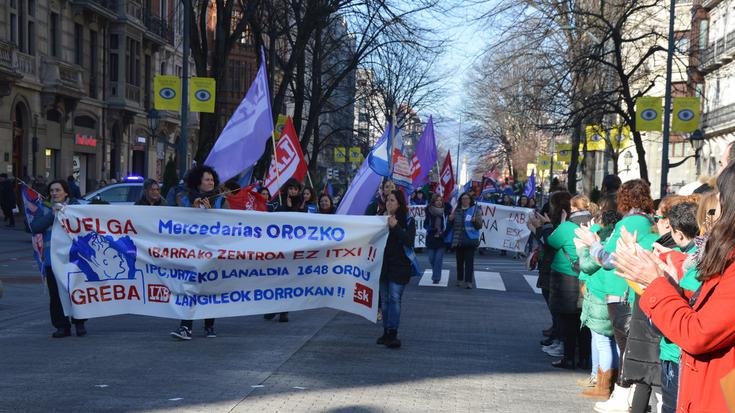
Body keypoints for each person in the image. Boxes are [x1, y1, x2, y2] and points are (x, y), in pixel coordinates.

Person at [613, 164, 735, 413]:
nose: (715, 202)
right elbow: (710, 311)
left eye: (721, 193)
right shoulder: (723, 256)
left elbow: (699, 333)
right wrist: (661, 282)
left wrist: (657, 283)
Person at [575, 179, 656, 412]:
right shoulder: (647, 221)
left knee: (625, 345)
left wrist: (592, 244)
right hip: (630, 289)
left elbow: (608, 259)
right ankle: (625, 396)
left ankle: (623, 397)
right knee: (628, 345)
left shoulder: (629, 222)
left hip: (621, 290)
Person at [170, 165, 228, 340]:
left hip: (212, 250)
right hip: (191, 251)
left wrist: (211, 213)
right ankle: (185, 326)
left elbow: (229, 223)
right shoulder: (185, 198)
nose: (211, 182)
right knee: (189, 288)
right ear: (198, 182)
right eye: (207, 179)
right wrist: (192, 211)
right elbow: (175, 221)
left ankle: (209, 325)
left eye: (212, 179)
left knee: (210, 287)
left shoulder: (220, 200)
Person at [30, 179, 87, 338]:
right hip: (52, 259)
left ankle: (79, 322)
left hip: (74, 258)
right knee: (56, 294)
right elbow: (35, 227)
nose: (54, 193)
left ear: (66, 192)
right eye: (52, 191)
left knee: (76, 290)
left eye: (57, 190)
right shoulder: (44, 208)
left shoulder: (76, 208)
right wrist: (52, 215)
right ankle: (61, 325)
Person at [376, 189, 416, 349]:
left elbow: (409, 241)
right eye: (387, 200)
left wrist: (396, 227)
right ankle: (386, 331)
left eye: (392, 200)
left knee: (394, 298)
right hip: (383, 265)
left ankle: (393, 332)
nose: (389, 203)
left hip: (399, 266)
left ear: (399, 203)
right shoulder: (380, 218)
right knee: (384, 301)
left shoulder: (407, 220)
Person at [448, 192, 483, 288]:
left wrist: (475, 221)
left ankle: (469, 281)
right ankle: (459, 279)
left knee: (469, 263)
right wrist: (450, 219)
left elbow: (479, 226)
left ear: (470, 200)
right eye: (463, 198)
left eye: (467, 198)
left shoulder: (475, 210)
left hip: (470, 240)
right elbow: (451, 226)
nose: (465, 200)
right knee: (459, 262)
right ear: (461, 200)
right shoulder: (456, 210)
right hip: (458, 240)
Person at [424, 195, 449, 284]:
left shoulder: (445, 212)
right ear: (433, 202)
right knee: (431, 258)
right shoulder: (429, 211)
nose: (439, 202)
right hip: (431, 238)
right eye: (437, 200)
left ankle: (436, 277)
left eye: (440, 200)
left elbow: (448, 226)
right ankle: (436, 271)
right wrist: (431, 229)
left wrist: (442, 233)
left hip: (441, 239)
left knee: (438, 259)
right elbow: (425, 224)